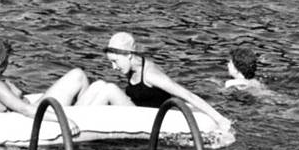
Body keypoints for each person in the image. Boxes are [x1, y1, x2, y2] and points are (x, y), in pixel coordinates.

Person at [86, 32, 231, 131]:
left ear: (129, 55)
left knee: (110, 89)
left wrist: (219, 119)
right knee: (99, 85)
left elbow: (187, 95)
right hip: (138, 110)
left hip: (148, 118)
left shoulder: (151, 75)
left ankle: (82, 124)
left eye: (115, 61)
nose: (113, 67)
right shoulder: (130, 67)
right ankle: (71, 117)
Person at [0, 37, 93, 120]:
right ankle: (83, 122)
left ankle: (84, 114)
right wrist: (64, 120)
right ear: (1, 61)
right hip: (32, 121)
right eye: (6, 58)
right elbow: (25, 110)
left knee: (81, 77)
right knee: (78, 75)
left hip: (32, 111)